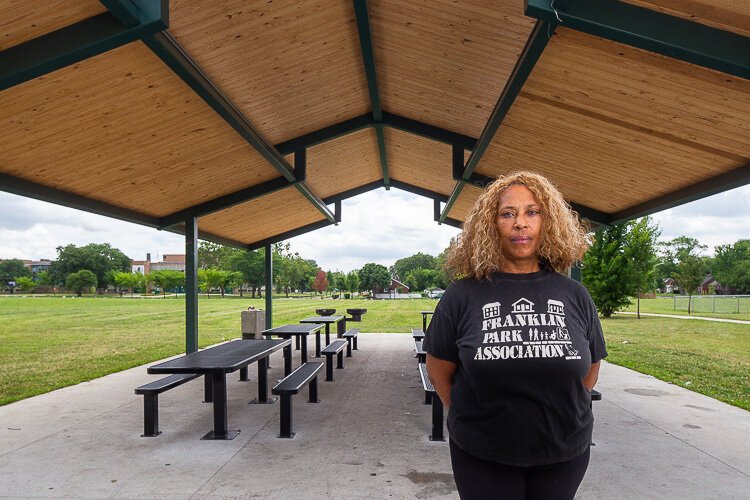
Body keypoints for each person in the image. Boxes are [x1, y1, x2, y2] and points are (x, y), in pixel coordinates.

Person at [424, 171, 607, 500]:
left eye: (532, 212)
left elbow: (591, 365)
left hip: (564, 452)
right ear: (490, 226)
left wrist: (563, 407)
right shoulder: (462, 295)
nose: (520, 223)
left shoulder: (575, 294)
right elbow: (438, 368)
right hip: (482, 453)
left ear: (547, 221)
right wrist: (463, 414)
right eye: (507, 213)